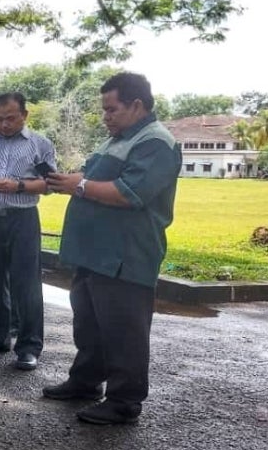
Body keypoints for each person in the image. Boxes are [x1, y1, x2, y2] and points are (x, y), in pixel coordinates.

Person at [45, 72, 181, 425]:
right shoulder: (117, 139)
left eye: (112, 109)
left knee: (124, 328)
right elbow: (94, 181)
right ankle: (86, 381)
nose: (106, 116)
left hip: (125, 253)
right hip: (94, 253)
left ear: (136, 105)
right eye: (104, 110)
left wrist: (79, 185)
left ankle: (124, 400)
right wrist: (69, 181)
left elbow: (128, 193)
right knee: (89, 322)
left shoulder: (156, 142)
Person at [0, 92, 56, 371]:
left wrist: (18, 186)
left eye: (11, 118)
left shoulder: (39, 145)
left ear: (25, 115)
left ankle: (29, 347)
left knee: (26, 284)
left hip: (23, 218)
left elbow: (50, 183)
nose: (4, 124)